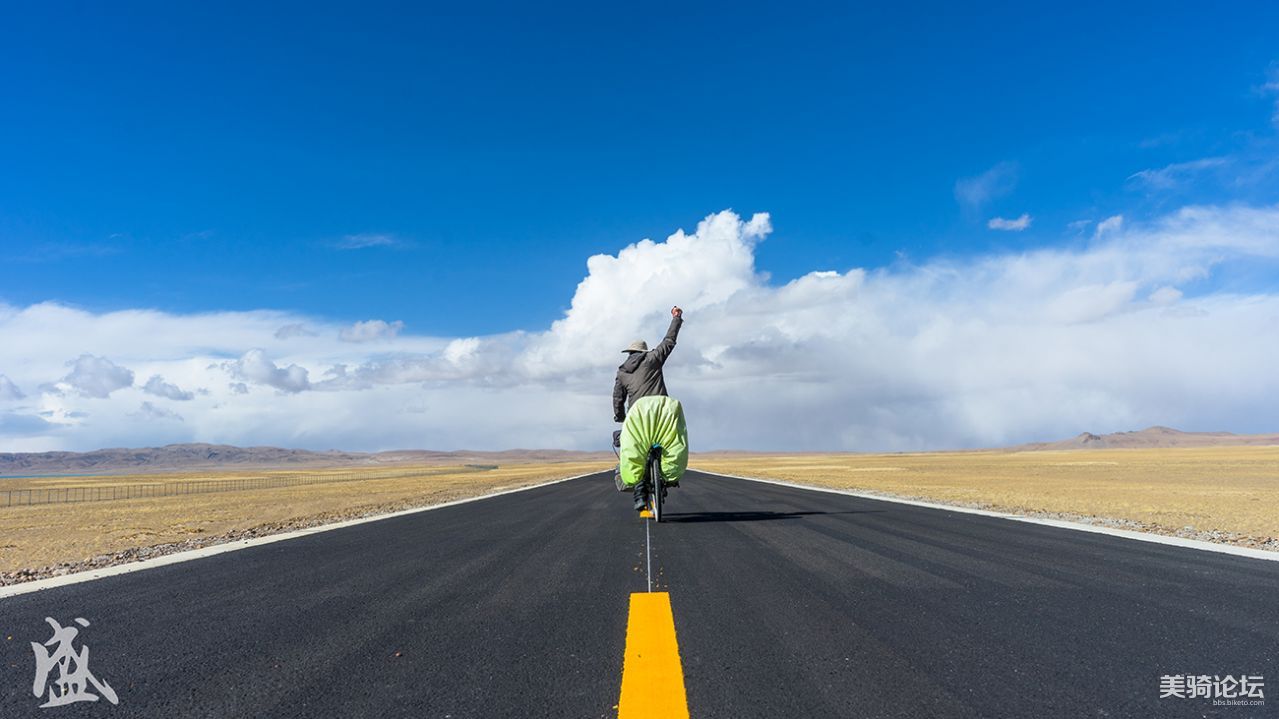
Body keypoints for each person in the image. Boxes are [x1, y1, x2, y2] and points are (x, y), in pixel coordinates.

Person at [614, 306, 684, 510]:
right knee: (671, 440)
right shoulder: (653, 359)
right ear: (643, 352)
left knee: (635, 451)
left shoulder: (622, 372)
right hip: (662, 412)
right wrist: (676, 318)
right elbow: (669, 341)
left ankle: (639, 495)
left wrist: (620, 416)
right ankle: (667, 477)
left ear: (629, 354)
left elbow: (618, 397)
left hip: (637, 416)